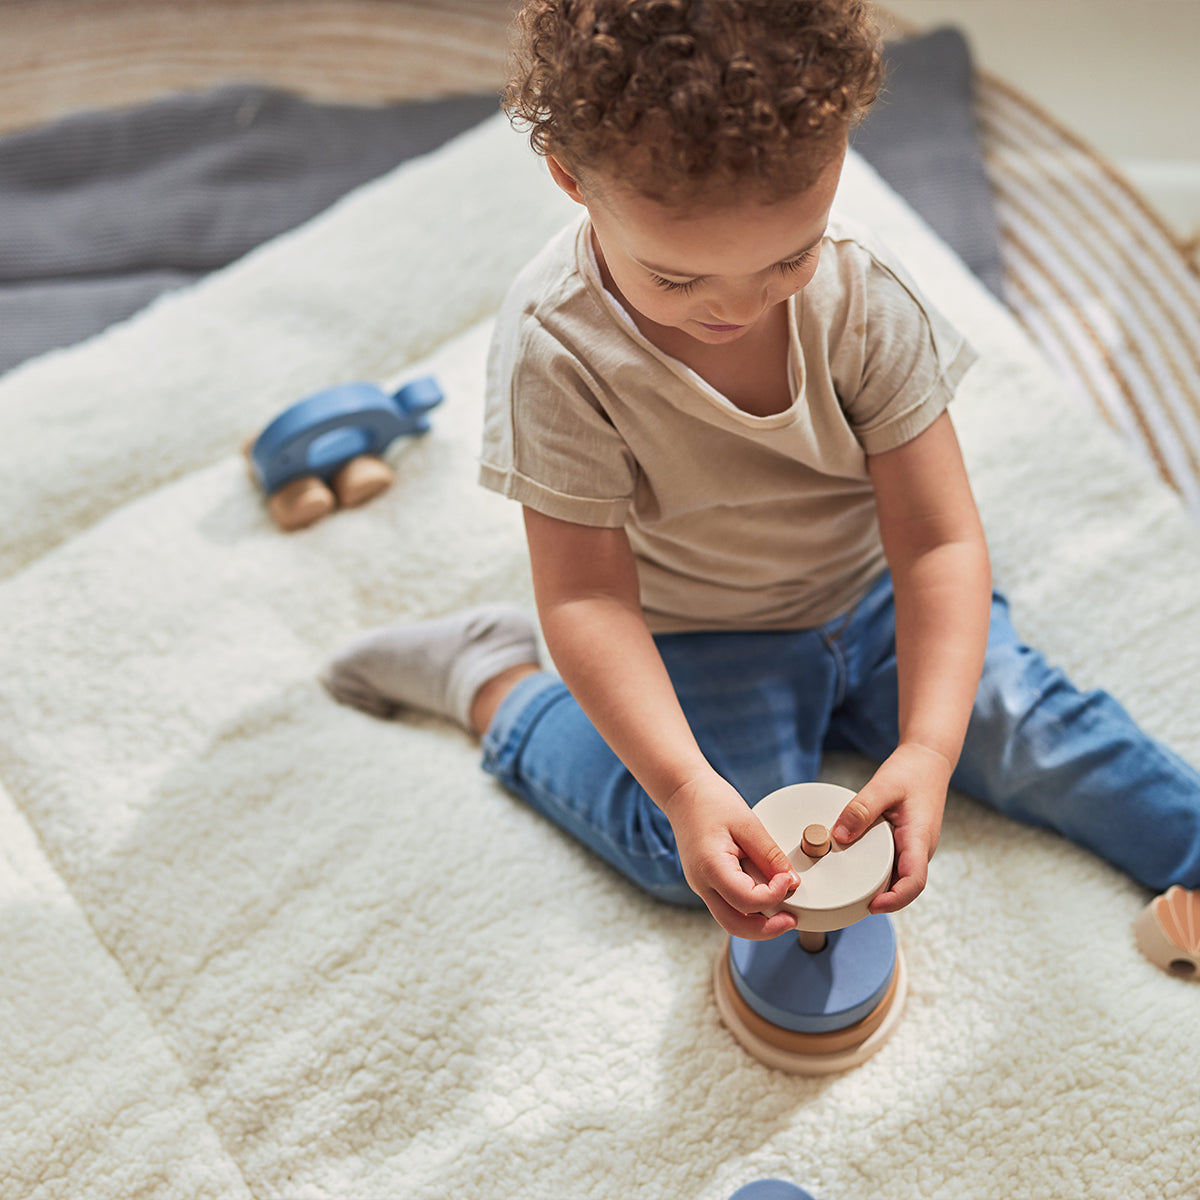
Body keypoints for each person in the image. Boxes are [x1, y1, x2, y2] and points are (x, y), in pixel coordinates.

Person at [323, 0, 1200, 942]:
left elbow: (938, 537)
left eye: (789, 254)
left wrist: (931, 748)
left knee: (1050, 736)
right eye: (676, 278)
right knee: (696, 859)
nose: (736, 307)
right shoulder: (556, 349)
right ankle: (495, 683)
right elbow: (586, 600)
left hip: (876, 599)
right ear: (572, 178)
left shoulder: (863, 293)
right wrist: (686, 787)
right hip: (700, 631)